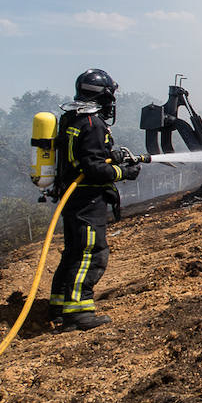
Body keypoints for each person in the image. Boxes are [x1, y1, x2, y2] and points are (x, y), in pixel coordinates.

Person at [49, 69, 140, 331]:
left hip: (72, 198)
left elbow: (85, 155)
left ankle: (59, 307)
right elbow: (93, 168)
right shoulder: (92, 123)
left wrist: (113, 155)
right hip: (88, 200)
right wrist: (124, 172)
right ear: (102, 95)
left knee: (74, 253)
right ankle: (78, 313)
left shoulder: (72, 118)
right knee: (91, 253)